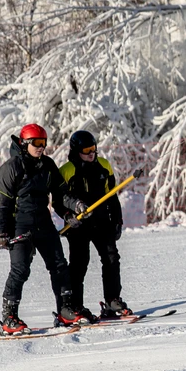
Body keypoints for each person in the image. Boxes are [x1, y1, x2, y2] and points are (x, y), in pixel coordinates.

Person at [0, 123, 97, 335]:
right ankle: (9, 318)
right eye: (36, 143)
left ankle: (65, 309)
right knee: (20, 270)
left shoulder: (47, 165)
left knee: (59, 265)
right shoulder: (11, 168)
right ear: (24, 143)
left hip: (43, 222)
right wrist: (2, 233)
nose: (41, 147)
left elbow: (60, 196)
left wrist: (73, 209)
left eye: (44, 143)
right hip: (20, 225)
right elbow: (2, 203)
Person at [59, 130, 133, 319]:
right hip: (79, 226)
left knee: (111, 259)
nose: (91, 153)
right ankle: (75, 306)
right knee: (79, 264)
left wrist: (117, 220)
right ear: (76, 151)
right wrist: (68, 216)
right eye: (86, 150)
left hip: (102, 222)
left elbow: (112, 195)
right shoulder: (67, 171)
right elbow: (58, 201)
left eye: (93, 149)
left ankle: (112, 301)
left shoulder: (104, 166)